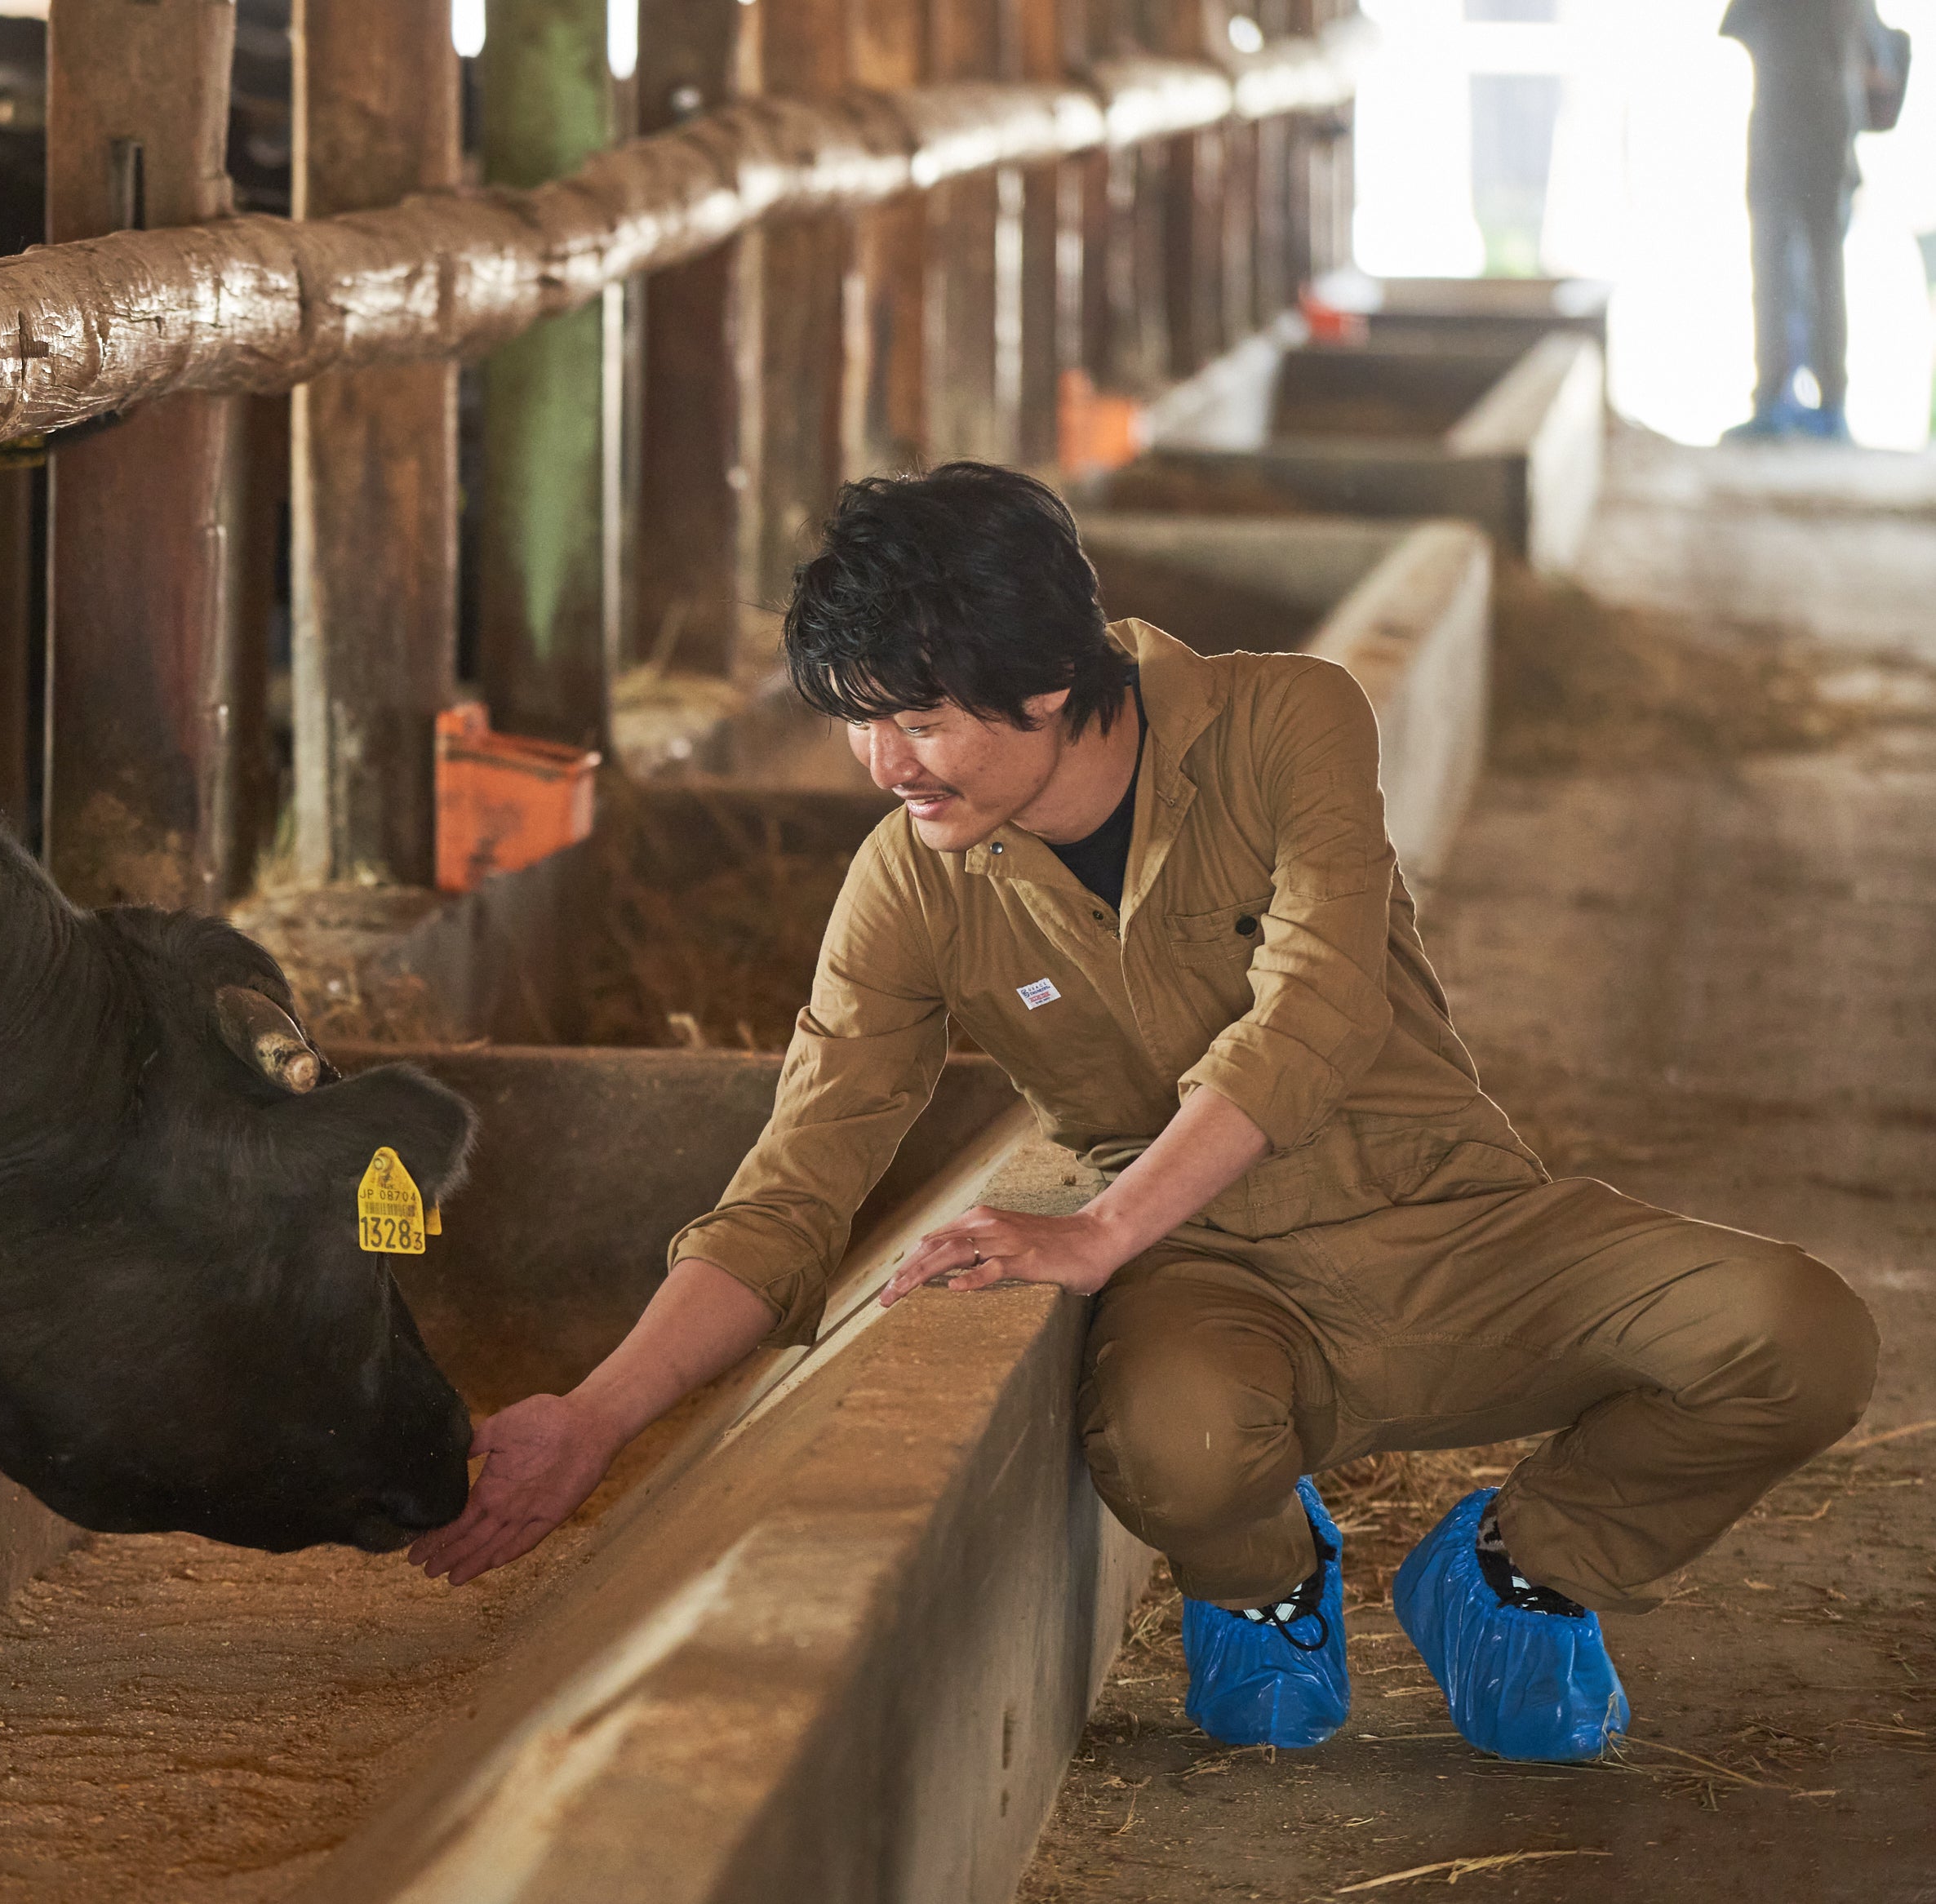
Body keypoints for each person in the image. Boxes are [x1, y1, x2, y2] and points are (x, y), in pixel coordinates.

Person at [406, 464, 1879, 1763]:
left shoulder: (1285, 718)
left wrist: (1097, 1231)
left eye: (917, 720)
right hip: (1218, 1274)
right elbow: (799, 1181)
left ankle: (1517, 1569)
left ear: (1047, 683)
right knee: (1170, 1440)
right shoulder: (913, 881)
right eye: (863, 724)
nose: (884, 767)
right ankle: (1263, 1579)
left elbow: (1315, 1007)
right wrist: (594, 1417)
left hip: (1455, 1217)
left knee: (1800, 1332)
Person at [1721, 0, 1904, 442]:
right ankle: (1801, 402)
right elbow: (1881, 63)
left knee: (1796, 268)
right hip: (1812, 128)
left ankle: (1801, 402)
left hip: (1802, 129)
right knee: (1804, 268)